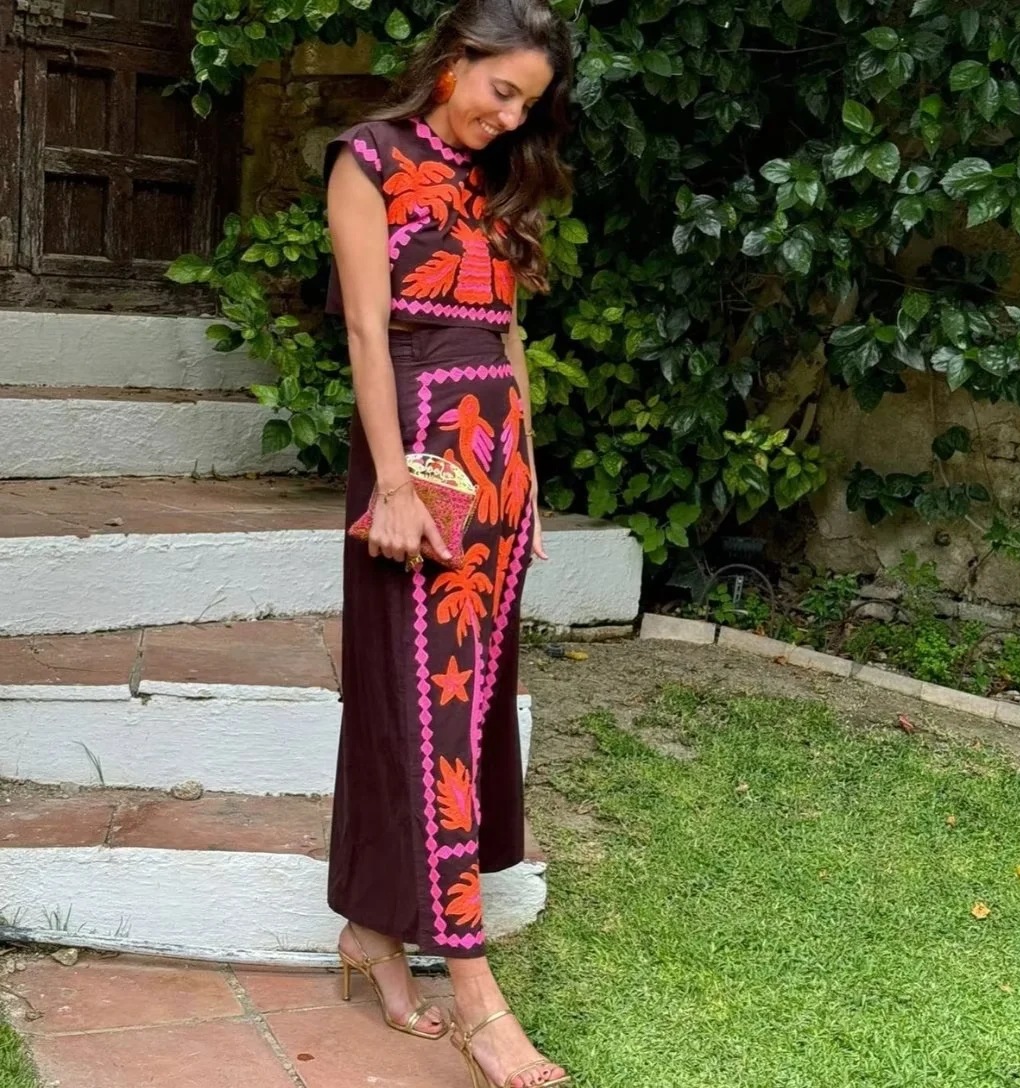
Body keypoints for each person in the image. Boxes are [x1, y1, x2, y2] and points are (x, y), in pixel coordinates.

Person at [323, 0, 574, 1084]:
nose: (510, 118)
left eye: (528, 105)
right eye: (501, 90)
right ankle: (475, 993)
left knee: (453, 706)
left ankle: (372, 933)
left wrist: (531, 482)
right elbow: (366, 330)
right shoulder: (369, 159)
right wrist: (392, 485)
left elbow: (507, 334)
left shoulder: (497, 181)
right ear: (454, 61)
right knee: (437, 717)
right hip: (420, 454)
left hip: (495, 462)